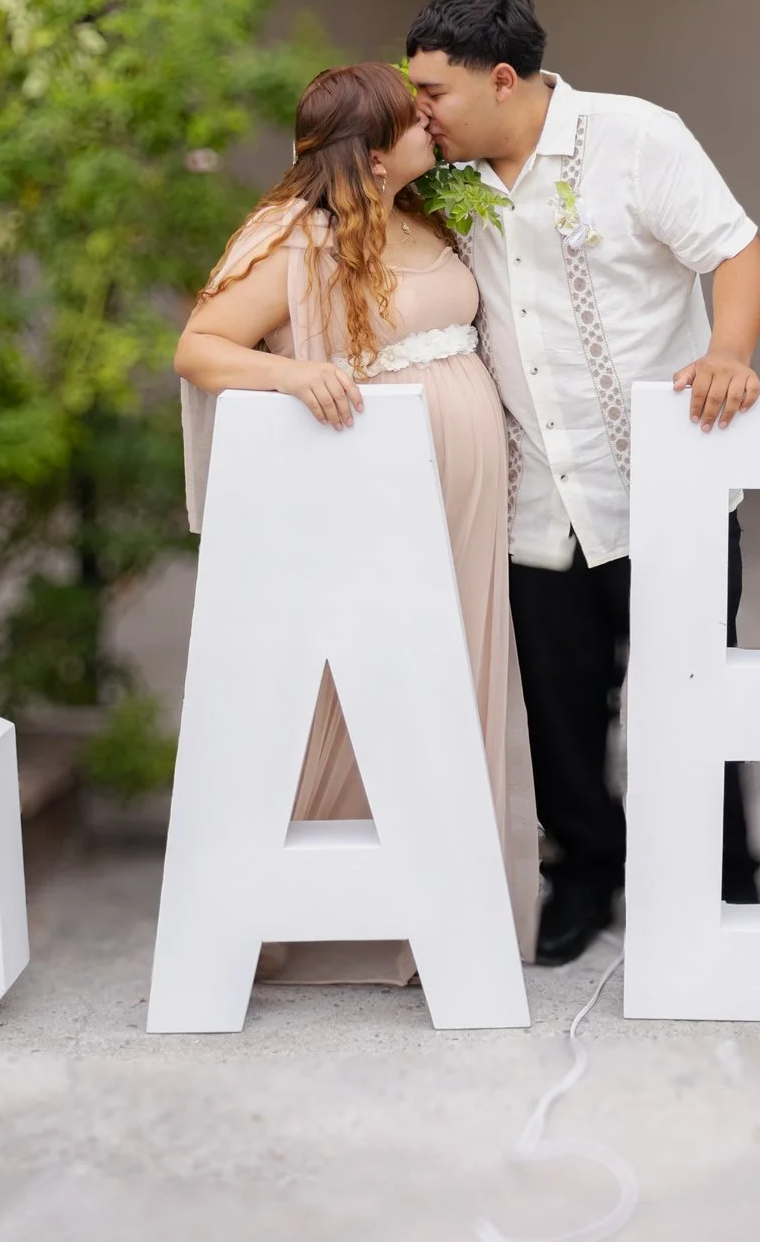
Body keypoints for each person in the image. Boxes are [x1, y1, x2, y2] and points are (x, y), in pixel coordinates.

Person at [404, 0, 760, 967]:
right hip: (529, 499)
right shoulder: (440, 172)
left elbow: (733, 250)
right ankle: (582, 876)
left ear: (503, 78)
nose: (420, 109)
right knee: (555, 708)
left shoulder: (636, 137)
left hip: (663, 488)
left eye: (433, 91)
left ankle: (723, 885)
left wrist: (730, 350)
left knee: (690, 694)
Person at [173, 61, 541, 985]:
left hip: (464, 501)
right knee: (370, 683)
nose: (432, 125)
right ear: (376, 155)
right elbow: (200, 347)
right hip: (379, 493)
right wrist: (295, 375)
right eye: (414, 121)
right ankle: (325, 913)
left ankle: (446, 923)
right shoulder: (300, 238)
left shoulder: (424, 213)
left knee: (453, 673)